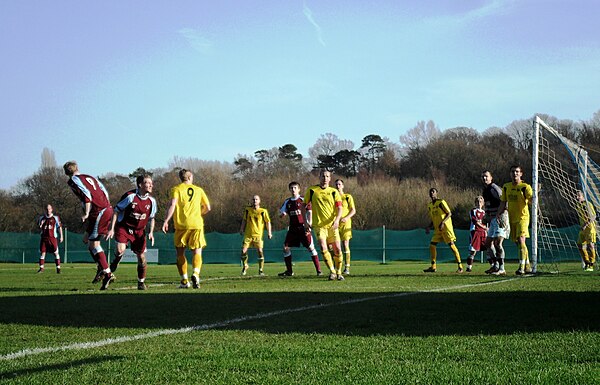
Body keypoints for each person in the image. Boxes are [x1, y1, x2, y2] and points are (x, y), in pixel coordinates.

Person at [63, 161, 114, 290]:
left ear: (65, 172)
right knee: (87, 240)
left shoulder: (73, 180)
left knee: (95, 244)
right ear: (77, 168)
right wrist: (107, 204)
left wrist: (86, 213)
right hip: (103, 209)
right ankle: (101, 268)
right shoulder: (89, 177)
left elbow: (86, 196)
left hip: (99, 211)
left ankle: (107, 273)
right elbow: (104, 190)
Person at [162, 169, 211, 289]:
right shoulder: (199, 190)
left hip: (181, 225)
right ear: (189, 177)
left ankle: (184, 280)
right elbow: (208, 207)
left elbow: (173, 204)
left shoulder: (176, 189)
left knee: (180, 254)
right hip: (196, 224)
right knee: (197, 252)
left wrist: (166, 220)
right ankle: (195, 273)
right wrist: (199, 213)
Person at [107, 174, 157, 290]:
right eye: (147, 183)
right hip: (124, 227)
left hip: (139, 231)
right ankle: (116, 260)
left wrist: (151, 232)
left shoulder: (152, 201)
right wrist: (111, 229)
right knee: (120, 250)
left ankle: (141, 282)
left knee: (141, 258)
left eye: (151, 183)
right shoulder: (130, 197)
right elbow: (116, 211)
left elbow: (152, 218)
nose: (150, 185)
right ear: (140, 185)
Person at [302, 170, 344, 281]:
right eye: (323, 176)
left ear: (330, 178)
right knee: (323, 247)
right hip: (319, 226)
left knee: (338, 250)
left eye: (327, 176)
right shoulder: (312, 190)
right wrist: (305, 222)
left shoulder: (334, 192)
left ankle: (339, 272)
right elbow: (303, 206)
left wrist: (337, 220)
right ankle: (332, 271)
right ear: (319, 177)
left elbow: (340, 208)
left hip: (332, 225)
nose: (325, 178)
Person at [278, 182, 322, 277]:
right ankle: (289, 271)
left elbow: (309, 212)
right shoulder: (288, 202)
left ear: (299, 189)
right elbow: (280, 213)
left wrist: (309, 225)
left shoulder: (303, 200)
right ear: (289, 190)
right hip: (293, 229)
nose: (293, 189)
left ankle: (319, 270)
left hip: (303, 227)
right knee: (285, 248)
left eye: (295, 188)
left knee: (311, 248)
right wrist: (282, 214)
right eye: (291, 188)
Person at [497, 165, 534, 275]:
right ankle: (527, 265)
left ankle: (521, 267)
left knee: (522, 239)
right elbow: (503, 202)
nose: (515, 174)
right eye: (513, 172)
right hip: (512, 218)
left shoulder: (525, 187)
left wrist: (534, 198)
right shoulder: (506, 187)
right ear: (510, 173)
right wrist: (498, 214)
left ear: (521, 174)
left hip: (523, 217)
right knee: (518, 242)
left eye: (517, 172)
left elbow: (531, 200)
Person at [424, 188, 464, 273]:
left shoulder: (441, 202)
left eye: (433, 191)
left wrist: (443, 222)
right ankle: (433, 266)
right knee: (432, 245)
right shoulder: (430, 205)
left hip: (445, 228)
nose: (431, 193)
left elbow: (449, 213)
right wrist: (429, 227)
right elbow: (434, 218)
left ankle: (460, 266)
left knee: (452, 246)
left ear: (436, 193)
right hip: (438, 230)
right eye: (430, 192)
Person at [481, 170, 509, 275]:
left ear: (491, 178)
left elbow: (504, 201)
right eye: (483, 177)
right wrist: (486, 216)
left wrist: (503, 215)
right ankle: (495, 266)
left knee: (498, 242)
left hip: (500, 218)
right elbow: (488, 205)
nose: (484, 178)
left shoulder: (494, 189)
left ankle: (502, 268)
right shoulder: (485, 190)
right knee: (488, 243)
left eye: (486, 176)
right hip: (492, 219)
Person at [239, 195, 272, 276]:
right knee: (243, 251)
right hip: (248, 235)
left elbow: (268, 222)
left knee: (260, 252)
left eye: (256, 199)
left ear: (259, 201)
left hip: (258, 235)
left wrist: (269, 232)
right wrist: (241, 229)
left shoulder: (263, 211)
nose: (254, 201)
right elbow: (244, 220)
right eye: (253, 199)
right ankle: (245, 266)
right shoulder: (247, 210)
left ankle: (261, 270)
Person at [334, 179, 356, 275]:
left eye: (339, 184)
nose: (338, 186)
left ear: (343, 186)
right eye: (336, 184)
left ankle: (347, 267)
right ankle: (337, 266)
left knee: (345, 244)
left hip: (345, 223)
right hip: (335, 223)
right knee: (334, 245)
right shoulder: (333, 197)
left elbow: (353, 210)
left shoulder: (347, 197)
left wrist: (346, 218)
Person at [37, 204, 64, 274]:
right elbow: (39, 228)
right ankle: (41, 269)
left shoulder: (55, 218)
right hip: (44, 238)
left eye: (49, 209)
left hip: (52, 238)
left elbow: (59, 227)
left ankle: (58, 269)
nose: (48, 210)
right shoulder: (41, 218)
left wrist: (61, 236)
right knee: (42, 253)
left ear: (51, 209)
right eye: (46, 209)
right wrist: (40, 225)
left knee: (56, 253)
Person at [576, 190, 596, 271]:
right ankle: (587, 262)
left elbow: (593, 216)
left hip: (590, 228)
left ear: (583, 196)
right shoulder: (578, 204)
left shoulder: (587, 204)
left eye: (578, 196)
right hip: (582, 229)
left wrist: (585, 225)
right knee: (580, 245)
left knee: (591, 245)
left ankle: (591, 265)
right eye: (576, 196)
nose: (577, 198)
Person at [466, 196, 487, 272]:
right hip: (475, 231)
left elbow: (487, 222)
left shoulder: (485, 212)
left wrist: (486, 228)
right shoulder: (473, 211)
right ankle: (469, 267)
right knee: (472, 251)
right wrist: (484, 227)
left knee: (488, 249)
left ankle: (493, 266)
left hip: (483, 232)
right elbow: (475, 221)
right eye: (477, 201)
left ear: (483, 203)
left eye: (480, 202)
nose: (479, 203)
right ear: (475, 203)